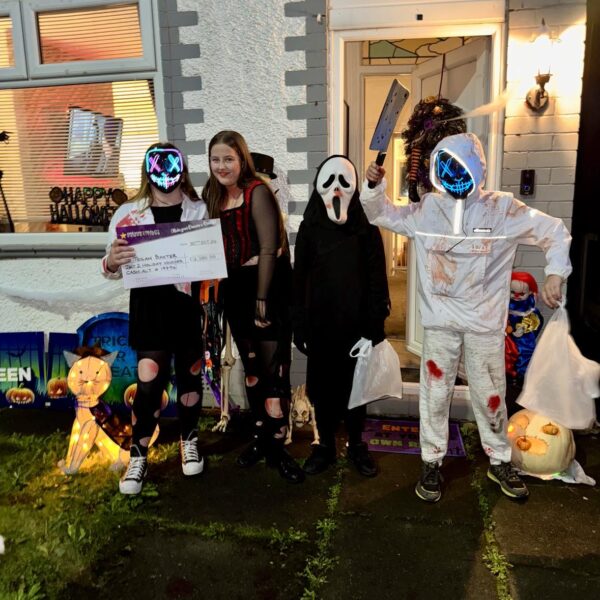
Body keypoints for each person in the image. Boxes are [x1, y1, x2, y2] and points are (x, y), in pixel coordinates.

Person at [360, 132, 572, 502]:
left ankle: (499, 459)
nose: (454, 177)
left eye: (460, 168)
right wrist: (373, 186)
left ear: (476, 168)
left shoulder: (501, 209)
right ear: (436, 171)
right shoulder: (428, 209)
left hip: (484, 323)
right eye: (446, 169)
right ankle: (431, 460)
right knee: (434, 393)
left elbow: (553, 231)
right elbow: (381, 214)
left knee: (490, 394)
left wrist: (556, 273)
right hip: (440, 322)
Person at [102, 142, 208, 495]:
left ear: (182, 170)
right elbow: (110, 267)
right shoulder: (128, 214)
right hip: (149, 306)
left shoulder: (198, 209)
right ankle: (138, 455)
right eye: (157, 168)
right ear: (147, 172)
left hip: (188, 307)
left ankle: (189, 439)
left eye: (171, 167)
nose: (164, 175)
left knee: (191, 378)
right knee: (149, 384)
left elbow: (209, 258)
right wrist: (113, 260)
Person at [202, 130, 304, 484]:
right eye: (215, 159)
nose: (221, 166)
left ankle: (279, 446)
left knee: (274, 371)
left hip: (267, 287)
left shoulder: (257, 191)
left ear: (241, 159)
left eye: (228, 159)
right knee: (251, 369)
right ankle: (261, 438)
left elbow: (268, 248)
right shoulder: (212, 194)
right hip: (235, 289)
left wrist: (262, 299)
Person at [293, 155, 390, 477]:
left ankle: (357, 444)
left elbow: (377, 278)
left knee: (356, 388)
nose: (336, 189)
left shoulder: (366, 228)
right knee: (322, 389)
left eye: (344, 182)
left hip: (356, 325)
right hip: (320, 325)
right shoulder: (310, 229)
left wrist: (374, 325)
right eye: (330, 182)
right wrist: (299, 324)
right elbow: (299, 278)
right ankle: (325, 446)